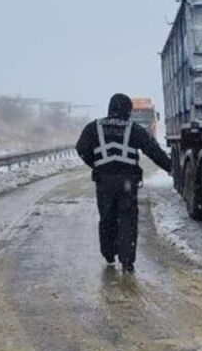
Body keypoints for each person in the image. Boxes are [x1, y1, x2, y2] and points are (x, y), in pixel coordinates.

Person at [74, 93, 174, 272]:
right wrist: (170, 167)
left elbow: (81, 148)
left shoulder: (93, 127)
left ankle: (109, 253)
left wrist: (96, 165)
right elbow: (153, 150)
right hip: (128, 181)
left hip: (104, 181)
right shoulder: (133, 129)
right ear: (128, 110)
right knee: (127, 219)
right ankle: (127, 260)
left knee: (107, 217)